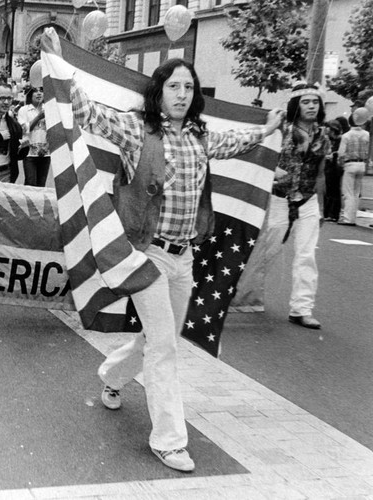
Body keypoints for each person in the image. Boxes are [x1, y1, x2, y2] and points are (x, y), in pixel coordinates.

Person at [45, 28, 284, 473]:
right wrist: (60, 66)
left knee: (162, 339)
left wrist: (267, 128)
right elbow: (88, 114)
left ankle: (112, 377)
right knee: (165, 350)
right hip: (146, 256)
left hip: (183, 257)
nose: (181, 93)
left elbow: (236, 142)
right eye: (173, 85)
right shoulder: (137, 130)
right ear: (158, 92)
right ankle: (170, 440)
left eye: (188, 87)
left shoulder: (200, 137)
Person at [230, 83, 329, 329]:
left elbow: (320, 174)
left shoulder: (323, 136)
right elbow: (258, 154)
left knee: (306, 256)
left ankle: (301, 309)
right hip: (278, 200)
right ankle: (235, 296)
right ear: (296, 105)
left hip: (307, 202)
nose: (311, 106)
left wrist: (322, 208)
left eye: (315, 102)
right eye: (305, 102)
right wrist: (274, 171)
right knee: (265, 252)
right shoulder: (281, 130)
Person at [337, 114, 370, 225]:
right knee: (356, 192)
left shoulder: (346, 136)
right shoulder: (367, 135)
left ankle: (347, 218)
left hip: (350, 164)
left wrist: (340, 164)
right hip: (362, 164)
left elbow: (341, 153)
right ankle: (353, 217)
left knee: (348, 193)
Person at [17, 86, 50, 186]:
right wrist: (39, 117)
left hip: (45, 153)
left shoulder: (49, 109)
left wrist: (46, 147)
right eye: (35, 91)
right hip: (29, 154)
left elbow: (54, 131)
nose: (39, 93)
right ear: (30, 94)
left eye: (41, 90)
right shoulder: (24, 110)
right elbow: (25, 129)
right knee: (30, 183)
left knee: (41, 185)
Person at [324, 119, 343, 222]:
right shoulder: (329, 139)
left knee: (334, 190)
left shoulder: (340, 139)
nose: (327, 129)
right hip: (329, 166)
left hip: (336, 167)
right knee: (329, 190)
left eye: (329, 128)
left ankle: (333, 213)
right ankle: (327, 212)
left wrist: (333, 154)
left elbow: (340, 152)